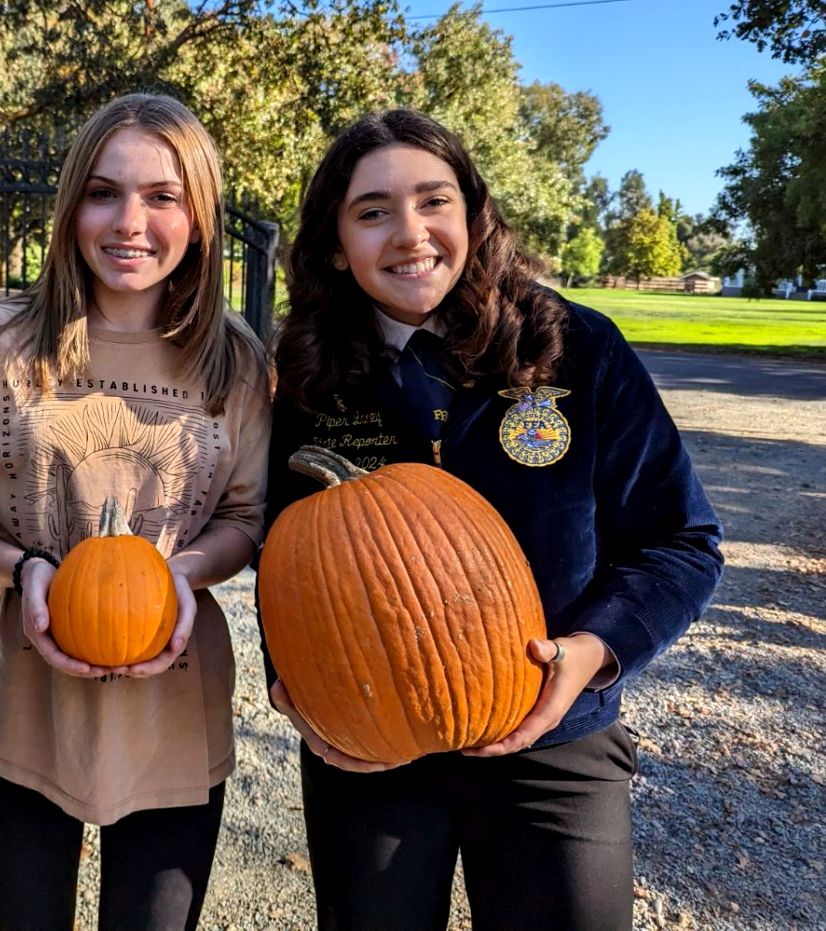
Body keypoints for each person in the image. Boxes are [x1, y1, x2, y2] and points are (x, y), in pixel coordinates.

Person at [261, 109, 723, 931]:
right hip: (371, 747)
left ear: (473, 216)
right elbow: (287, 556)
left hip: (554, 733)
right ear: (336, 244)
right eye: (372, 212)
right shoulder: (307, 374)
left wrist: (596, 652)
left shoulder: (576, 348)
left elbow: (681, 541)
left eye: (434, 202)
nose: (411, 234)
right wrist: (293, 689)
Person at [0, 93, 271, 931]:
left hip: (175, 716)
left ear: (200, 215)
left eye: (162, 196)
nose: (128, 222)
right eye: (103, 193)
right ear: (72, 207)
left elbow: (246, 519)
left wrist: (179, 574)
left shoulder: (238, 363)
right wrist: (23, 568)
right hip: (23, 718)